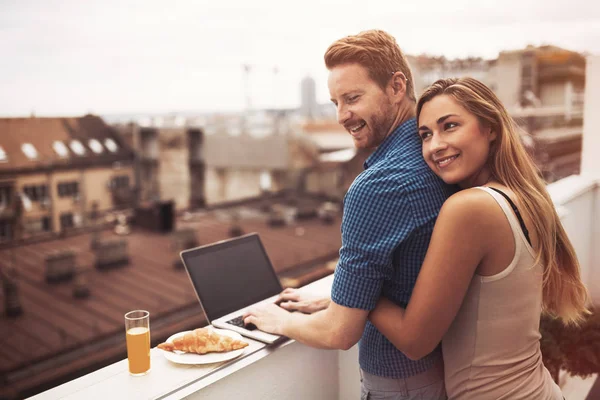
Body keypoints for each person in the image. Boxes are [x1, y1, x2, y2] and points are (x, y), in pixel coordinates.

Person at [243, 30, 455, 399]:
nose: (342, 116)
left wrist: (280, 320)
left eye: (353, 98)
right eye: (334, 103)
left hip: (400, 385)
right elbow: (409, 278)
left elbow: (339, 333)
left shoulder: (379, 185)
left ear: (396, 87)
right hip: (438, 371)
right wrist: (339, 301)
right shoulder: (435, 157)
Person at [365, 77, 590, 399]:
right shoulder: (522, 197)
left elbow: (414, 341)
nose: (435, 145)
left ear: (491, 128)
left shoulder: (470, 208)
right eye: (425, 135)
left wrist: (356, 293)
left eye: (450, 126)